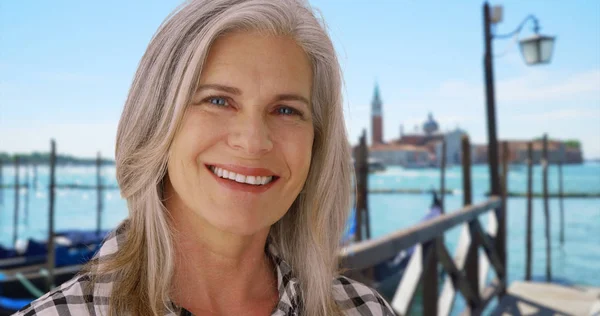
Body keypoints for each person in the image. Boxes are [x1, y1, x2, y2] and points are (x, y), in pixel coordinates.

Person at [15, 0, 395, 315]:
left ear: (317, 141)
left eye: (286, 110)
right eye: (218, 101)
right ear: (157, 119)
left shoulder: (363, 309)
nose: (253, 141)